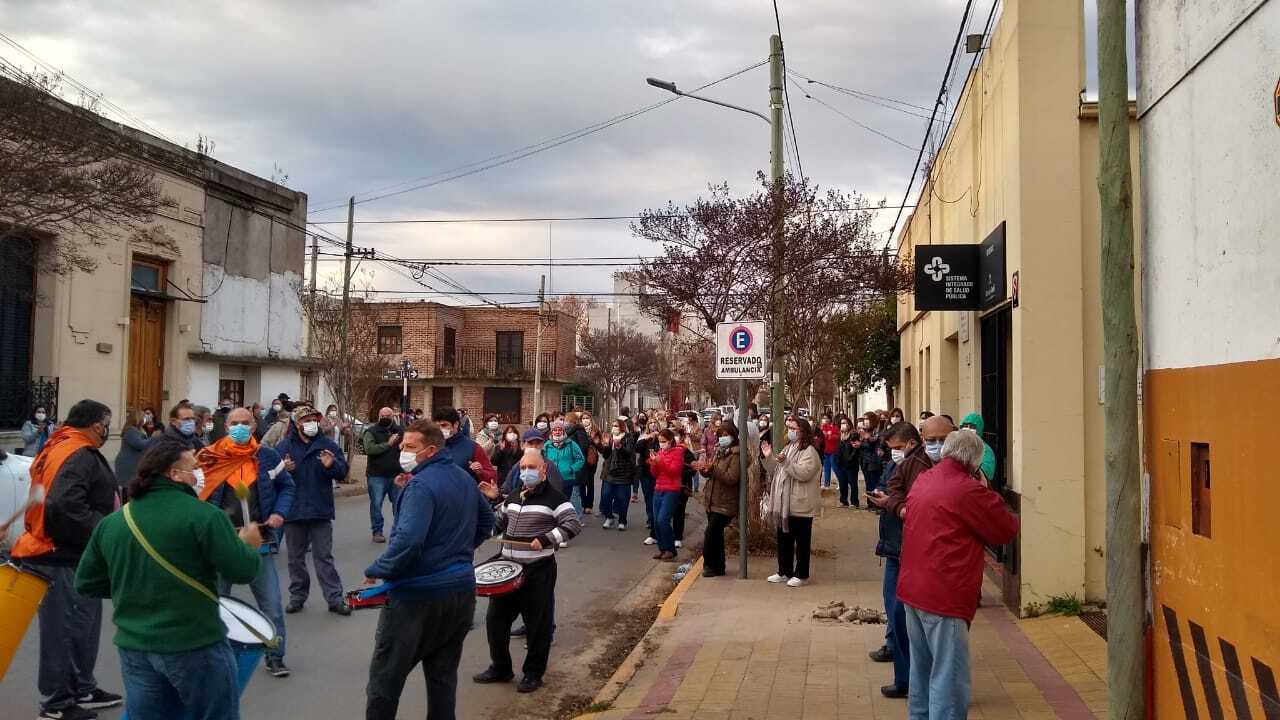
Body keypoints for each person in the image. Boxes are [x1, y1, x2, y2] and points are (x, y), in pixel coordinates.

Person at [74, 439, 262, 720]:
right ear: (174, 474)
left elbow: (86, 583)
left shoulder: (113, 522)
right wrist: (249, 546)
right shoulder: (205, 516)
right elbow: (242, 571)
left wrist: (139, 588)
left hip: (136, 648)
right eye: (194, 467)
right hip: (194, 644)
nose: (200, 474)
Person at [364, 421, 495, 720]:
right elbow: (487, 522)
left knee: (385, 681)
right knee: (442, 679)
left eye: (410, 447)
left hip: (416, 599)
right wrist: (459, 554)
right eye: (402, 445)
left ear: (431, 450)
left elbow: (408, 542)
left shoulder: (421, 485)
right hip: (459, 594)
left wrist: (377, 568)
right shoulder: (462, 478)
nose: (402, 451)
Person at [11, 399, 122, 720]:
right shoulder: (77, 453)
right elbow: (63, 505)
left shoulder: (61, 444)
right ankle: (57, 703)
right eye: (106, 423)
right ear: (97, 425)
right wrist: (104, 531)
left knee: (83, 625)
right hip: (60, 554)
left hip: (68, 553)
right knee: (66, 628)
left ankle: (82, 687)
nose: (106, 430)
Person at [897, 431, 1019, 716]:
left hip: (913, 588)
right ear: (975, 462)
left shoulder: (925, 479)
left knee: (922, 671)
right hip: (944, 594)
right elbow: (1005, 529)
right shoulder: (967, 489)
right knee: (948, 679)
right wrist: (985, 487)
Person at [198, 407, 296, 677]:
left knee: (272, 606)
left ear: (254, 426)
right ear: (226, 426)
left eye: (245, 423)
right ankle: (215, 659)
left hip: (258, 543)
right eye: (234, 423)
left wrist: (278, 513)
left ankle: (275, 656)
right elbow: (193, 496)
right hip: (220, 545)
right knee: (216, 605)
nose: (240, 427)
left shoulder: (267, 456)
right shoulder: (208, 457)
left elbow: (287, 486)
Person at [474, 449, 581, 693]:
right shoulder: (513, 496)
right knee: (495, 622)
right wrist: (492, 505)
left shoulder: (556, 498)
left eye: (532, 467)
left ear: (544, 470)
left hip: (538, 571)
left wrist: (545, 539)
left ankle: (533, 674)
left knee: (537, 626)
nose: (526, 472)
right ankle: (501, 668)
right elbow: (499, 523)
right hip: (508, 569)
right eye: (523, 468)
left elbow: (572, 525)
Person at [866, 418, 942, 699]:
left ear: (911, 442)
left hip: (908, 549)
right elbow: (894, 488)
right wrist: (888, 500)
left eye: (897, 447)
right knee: (898, 616)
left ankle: (914, 680)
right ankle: (905, 678)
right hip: (895, 546)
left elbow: (916, 503)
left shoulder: (923, 465)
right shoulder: (904, 463)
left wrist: (893, 503)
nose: (893, 453)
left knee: (908, 617)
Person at [276, 406, 352, 616]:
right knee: (295, 559)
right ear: (297, 423)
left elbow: (343, 472)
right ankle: (297, 596)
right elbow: (272, 476)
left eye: (313, 419)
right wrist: (284, 469)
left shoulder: (327, 445)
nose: (311, 423)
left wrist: (331, 465)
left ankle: (335, 598)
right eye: (306, 419)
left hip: (320, 509)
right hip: (294, 510)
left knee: (324, 557)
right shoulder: (285, 446)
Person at [761, 417, 821, 587]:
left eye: (793, 428)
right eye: (788, 428)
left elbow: (803, 473)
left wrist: (785, 462)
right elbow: (777, 469)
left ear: (802, 431)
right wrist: (769, 457)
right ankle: (784, 571)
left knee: (801, 541)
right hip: (783, 505)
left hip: (800, 503)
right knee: (784, 539)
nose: (790, 431)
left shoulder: (809, 452)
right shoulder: (789, 447)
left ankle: (801, 575)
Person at [693, 422, 740, 578]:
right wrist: (705, 469)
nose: (723, 438)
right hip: (713, 499)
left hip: (726, 502)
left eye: (726, 435)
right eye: (720, 435)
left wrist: (713, 469)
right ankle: (718, 567)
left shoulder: (736, 455)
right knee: (717, 535)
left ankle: (709, 565)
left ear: (733, 436)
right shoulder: (719, 451)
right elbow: (713, 472)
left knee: (710, 533)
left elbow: (731, 478)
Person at [362, 407, 403, 544]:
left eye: (388, 415)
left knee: (399, 504)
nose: (385, 417)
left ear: (393, 416)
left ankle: (398, 531)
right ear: (379, 416)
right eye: (383, 415)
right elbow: (369, 449)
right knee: (376, 504)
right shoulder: (371, 432)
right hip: (376, 475)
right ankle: (377, 531)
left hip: (397, 475)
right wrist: (388, 444)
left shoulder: (400, 431)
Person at [646, 429, 684, 562]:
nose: (661, 444)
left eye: (664, 441)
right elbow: (655, 474)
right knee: (656, 521)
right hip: (659, 488)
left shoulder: (678, 452)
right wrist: (653, 464)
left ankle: (670, 549)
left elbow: (674, 471)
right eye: (660, 442)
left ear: (670, 441)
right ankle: (663, 549)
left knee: (663, 519)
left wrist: (660, 462)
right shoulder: (660, 453)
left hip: (671, 490)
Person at [433, 406, 496, 485]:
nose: (440, 429)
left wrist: (481, 472)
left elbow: (492, 477)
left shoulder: (473, 448)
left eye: (444, 425)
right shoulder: (432, 447)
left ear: (456, 424)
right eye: (437, 426)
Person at [596, 419, 636, 530]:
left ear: (622, 427)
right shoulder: (609, 438)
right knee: (605, 496)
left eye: (616, 426)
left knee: (622, 498)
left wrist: (620, 447)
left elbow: (629, 455)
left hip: (623, 473)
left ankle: (622, 520)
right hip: (609, 472)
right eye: (613, 425)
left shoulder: (628, 438)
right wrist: (602, 444)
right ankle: (609, 517)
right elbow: (605, 455)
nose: (614, 428)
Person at [544, 420, 585, 523]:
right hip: (551, 479)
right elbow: (542, 459)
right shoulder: (547, 445)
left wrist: (572, 468)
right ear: (551, 432)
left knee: (565, 500)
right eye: (555, 430)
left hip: (567, 478)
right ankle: (554, 520)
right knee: (552, 500)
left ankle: (566, 519)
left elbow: (581, 459)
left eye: (560, 430)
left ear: (563, 431)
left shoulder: (571, 444)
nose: (557, 432)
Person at [501, 429, 565, 494]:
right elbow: (506, 488)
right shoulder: (517, 466)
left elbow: (556, 491)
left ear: (542, 445)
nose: (534, 447)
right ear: (522, 445)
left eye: (538, 443)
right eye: (530, 443)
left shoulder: (550, 467)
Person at [114, 409, 154, 503]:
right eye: (143, 417)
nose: (145, 419)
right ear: (137, 418)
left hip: (135, 463)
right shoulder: (130, 430)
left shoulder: (139, 430)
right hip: (128, 465)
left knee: (134, 487)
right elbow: (140, 444)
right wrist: (153, 438)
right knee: (128, 488)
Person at [635, 418, 660, 546]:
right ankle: (651, 519)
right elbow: (637, 448)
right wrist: (647, 438)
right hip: (645, 472)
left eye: (655, 423)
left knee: (657, 498)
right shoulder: (644, 437)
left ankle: (657, 521)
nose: (653, 425)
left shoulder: (662, 437)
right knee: (648, 497)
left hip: (658, 473)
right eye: (650, 423)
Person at [566, 412, 596, 515]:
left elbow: (584, 446)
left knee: (577, 490)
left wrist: (572, 450)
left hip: (580, 463)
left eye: (567, 421)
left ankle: (581, 512)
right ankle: (580, 508)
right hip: (571, 463)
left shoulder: (579, 431)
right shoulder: (568, 431)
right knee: (576, 490)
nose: (565, 423)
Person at [959, 412, 997, 484]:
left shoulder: (985, 450)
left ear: (979, 429)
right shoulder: (957, 446)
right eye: (965, 426)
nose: (967, 429)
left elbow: (987, 472)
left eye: (972, 427)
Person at [818, 413, 840, 490]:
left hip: (833, 451)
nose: (825, 420)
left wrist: (828, 435)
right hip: (824, 451)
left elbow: (837, 437)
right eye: (823, 418)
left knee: (835, 468)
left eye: (826, 418)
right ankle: (826, 484)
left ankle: (841, 482)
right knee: (826, 469)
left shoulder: (834, 428)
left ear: (830, 419)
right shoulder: (820, 428)